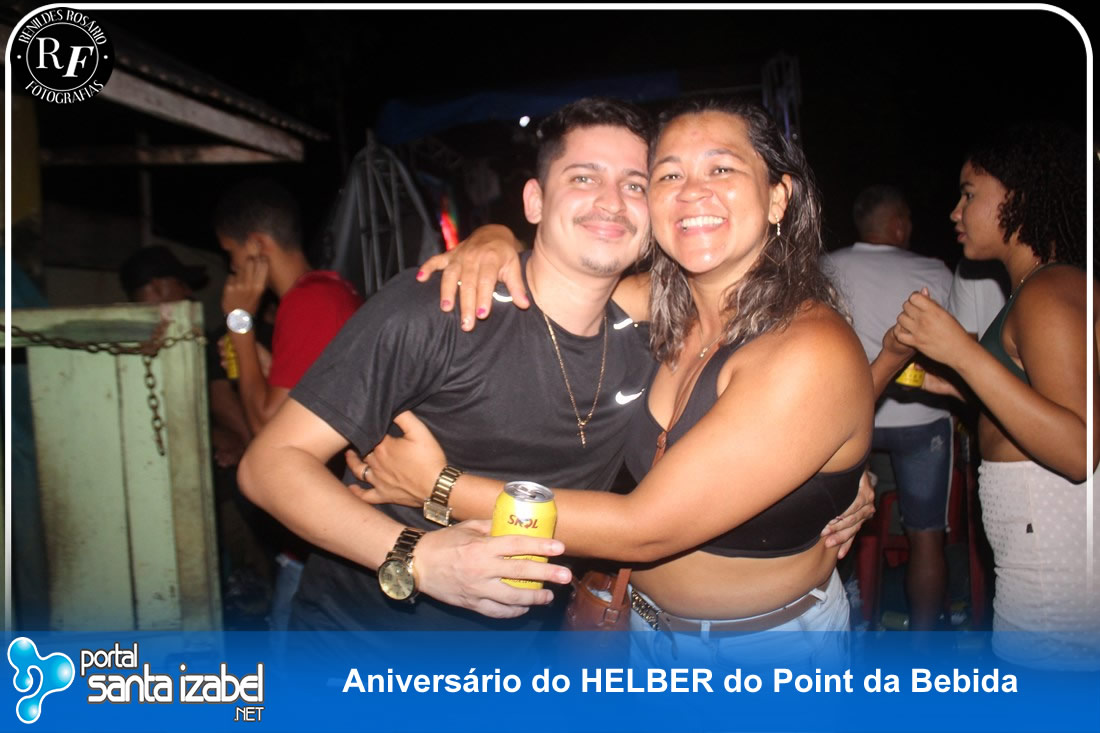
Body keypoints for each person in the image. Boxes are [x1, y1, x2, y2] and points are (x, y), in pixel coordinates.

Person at [238, 98, 874, 637]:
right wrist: (417, 555)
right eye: (667, 175)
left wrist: (439, 485)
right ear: (535, 200)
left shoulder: (664, 336)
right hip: (365, 649)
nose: (613, 202)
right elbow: (269, 465)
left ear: (778, 197)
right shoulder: (444, 308)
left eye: (635, 183)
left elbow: (650, 521)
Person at [877, 123, 1098, 669]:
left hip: (1053, 563)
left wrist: (961, 352)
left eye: (969, 193)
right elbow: (1032, 406)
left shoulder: (1050, 290)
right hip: (1036, 552)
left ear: (1017, 197)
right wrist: (955, 383)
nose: (955, 212)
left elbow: (1079, 449)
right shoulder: (1033, 289)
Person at [213, 178, 365, 630]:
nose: (232, 267)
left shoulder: (308, 301)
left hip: (317, 547)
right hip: (323, 535)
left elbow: (268, 432)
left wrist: (239, 325)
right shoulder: (331, 290)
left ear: (258, 245)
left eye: (232, 253)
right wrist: (260, 361)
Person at [823, 185, 954, 630]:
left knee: (834, 526)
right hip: (920, 420)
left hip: (846, 423)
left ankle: (854, 620)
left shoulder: (825, 267)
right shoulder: (932, 270)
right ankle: (922, 647)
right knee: (927, 536)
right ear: (899, 225)